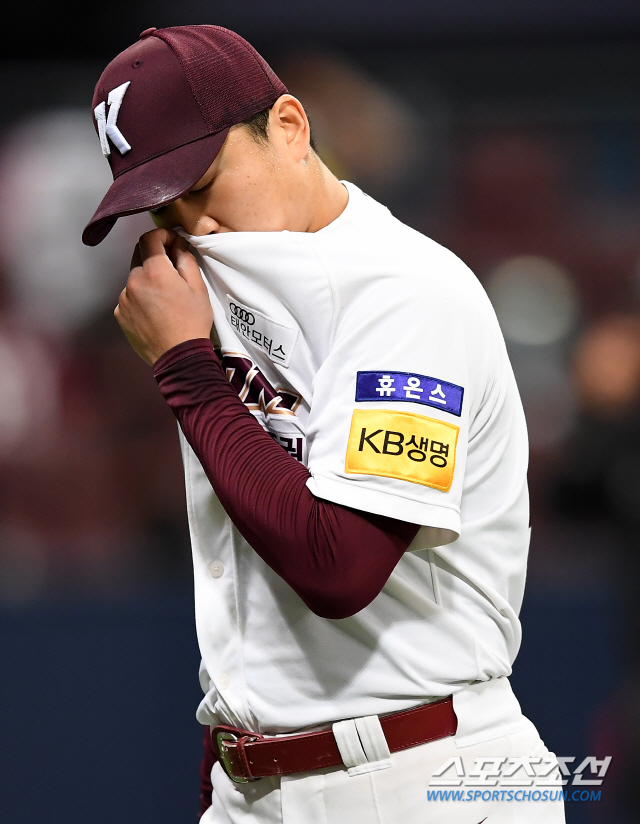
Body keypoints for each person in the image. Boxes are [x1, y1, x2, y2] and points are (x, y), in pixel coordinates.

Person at [83, 24, 566, 824]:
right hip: (255, 783)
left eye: (201, 181)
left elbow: (338, 566)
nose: (195, 223)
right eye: (162, 203)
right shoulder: (209, 279)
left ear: (289, 127)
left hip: (424, 774)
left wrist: (186, 370)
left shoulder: (407, 291)